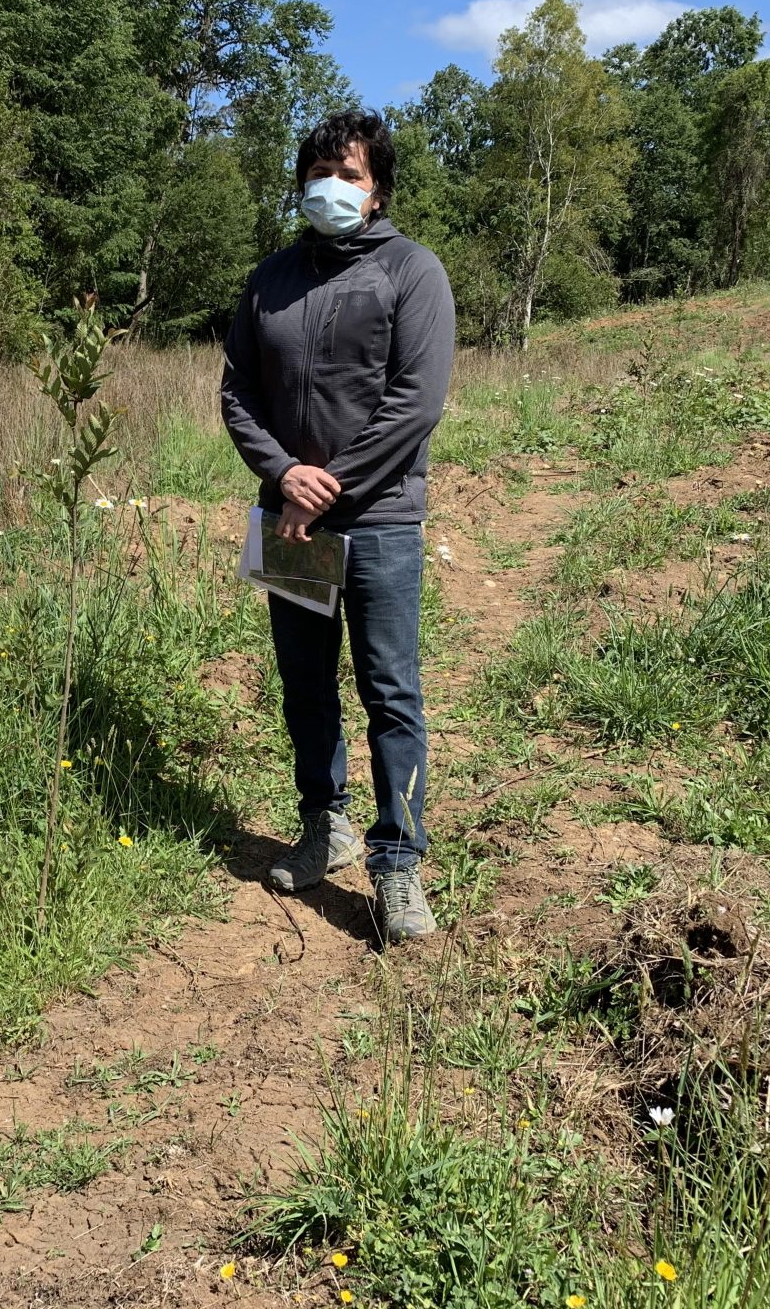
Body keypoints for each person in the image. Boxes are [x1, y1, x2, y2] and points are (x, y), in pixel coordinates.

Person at [219, 109, 455, 944]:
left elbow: (415, 401)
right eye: (319, 173)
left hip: (382, 519)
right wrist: (283, 475)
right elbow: (237, 392)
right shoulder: (268, 280)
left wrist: (329, 484)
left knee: (390, 691)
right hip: (289, 524)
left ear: (378, 188)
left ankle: (398, 863)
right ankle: (329, 824)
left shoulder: (413, 272)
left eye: (349, 174)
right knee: (305, 683)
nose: (332, 187)